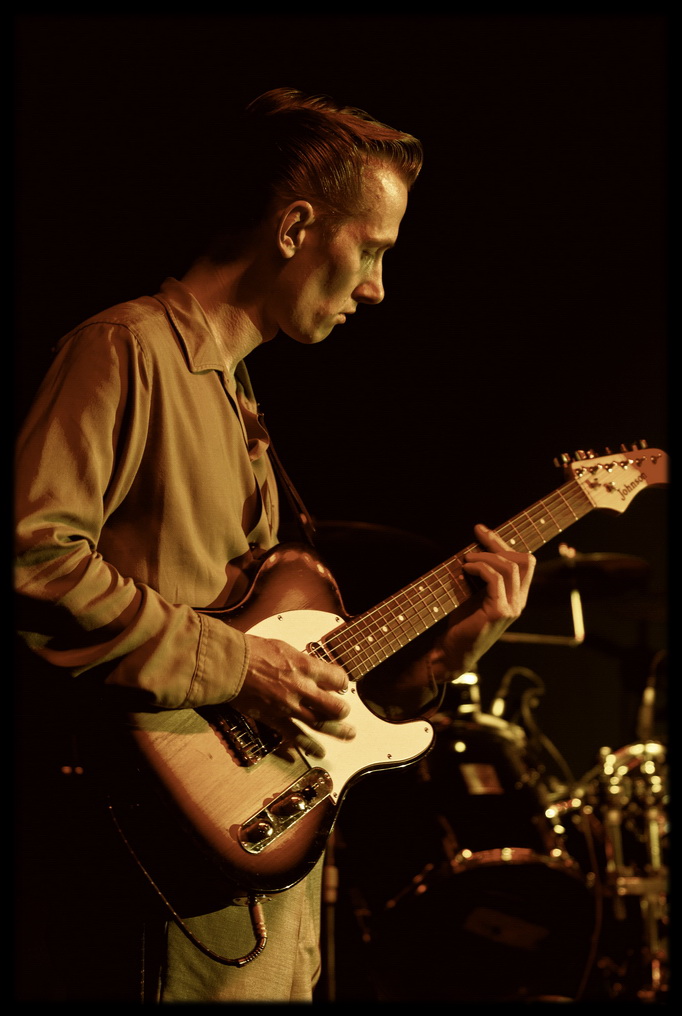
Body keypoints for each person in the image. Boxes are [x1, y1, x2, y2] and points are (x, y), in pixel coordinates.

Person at [14, 87, 536, 1003]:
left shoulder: (239, 396)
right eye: (371, 250)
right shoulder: (126, 350)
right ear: (295, 227)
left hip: (263, 900)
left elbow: (296, 679)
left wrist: (452, 652)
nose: (377, 287)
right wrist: (235, 665)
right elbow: (34, 562)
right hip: (162, 880)